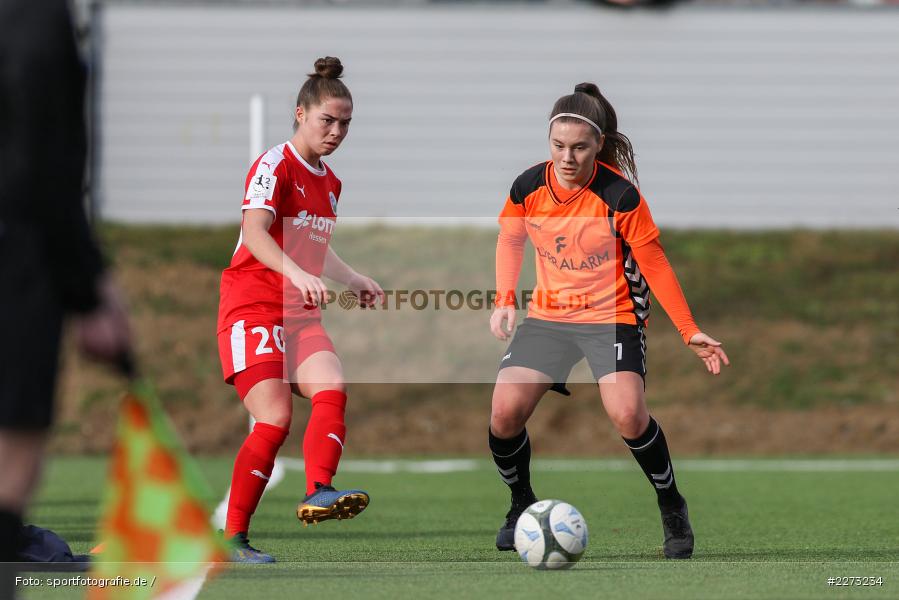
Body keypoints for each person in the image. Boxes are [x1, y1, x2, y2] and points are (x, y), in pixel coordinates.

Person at [488, 83, 729, 559]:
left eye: (579, 147)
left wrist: (688, 329)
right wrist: (504, 299)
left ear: (599, 145)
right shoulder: (527, 186)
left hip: (612, 316)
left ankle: (671, 503)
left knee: (628, 415)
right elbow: (510, 239)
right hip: (549, 317)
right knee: (503, 414)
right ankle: (520, 505)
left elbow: (654, 261)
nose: (567, 157)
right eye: (558, 146)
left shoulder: (619, 195)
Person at [216, 57, 384, 563]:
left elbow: (314, 241)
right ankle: (233, 538)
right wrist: (295, 273)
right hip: (253, 305)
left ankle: (319, 490)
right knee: (274, 418)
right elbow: (254, 233)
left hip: (300, 312)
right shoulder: (275, 165)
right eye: (327, 120)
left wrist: (350, 277)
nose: (336, 132)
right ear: (300, 114)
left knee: (331, 386)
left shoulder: (329, 182)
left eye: (346, 123)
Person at [0, 0, 132, 594]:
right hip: (16, 255)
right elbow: (38, 162)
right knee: (12, 452)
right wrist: (87, 289)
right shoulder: (32, 21)